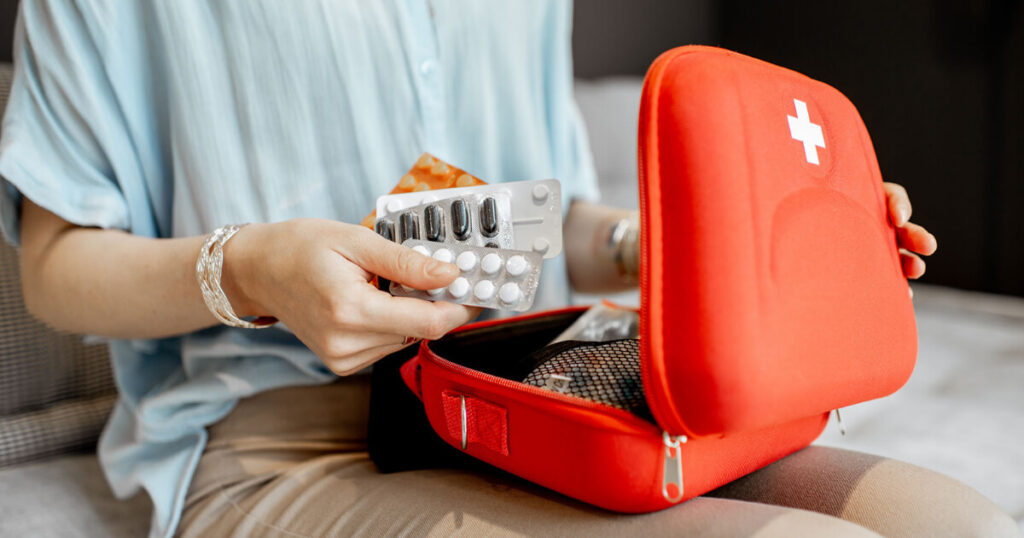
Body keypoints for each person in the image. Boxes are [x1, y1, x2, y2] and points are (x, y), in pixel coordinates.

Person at [3, 2, 1011, 537]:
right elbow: (52, 268)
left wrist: (668, 241)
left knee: (958, 522)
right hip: (287, 434)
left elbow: (537, 217)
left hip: (535, 388)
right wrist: (255, 269)